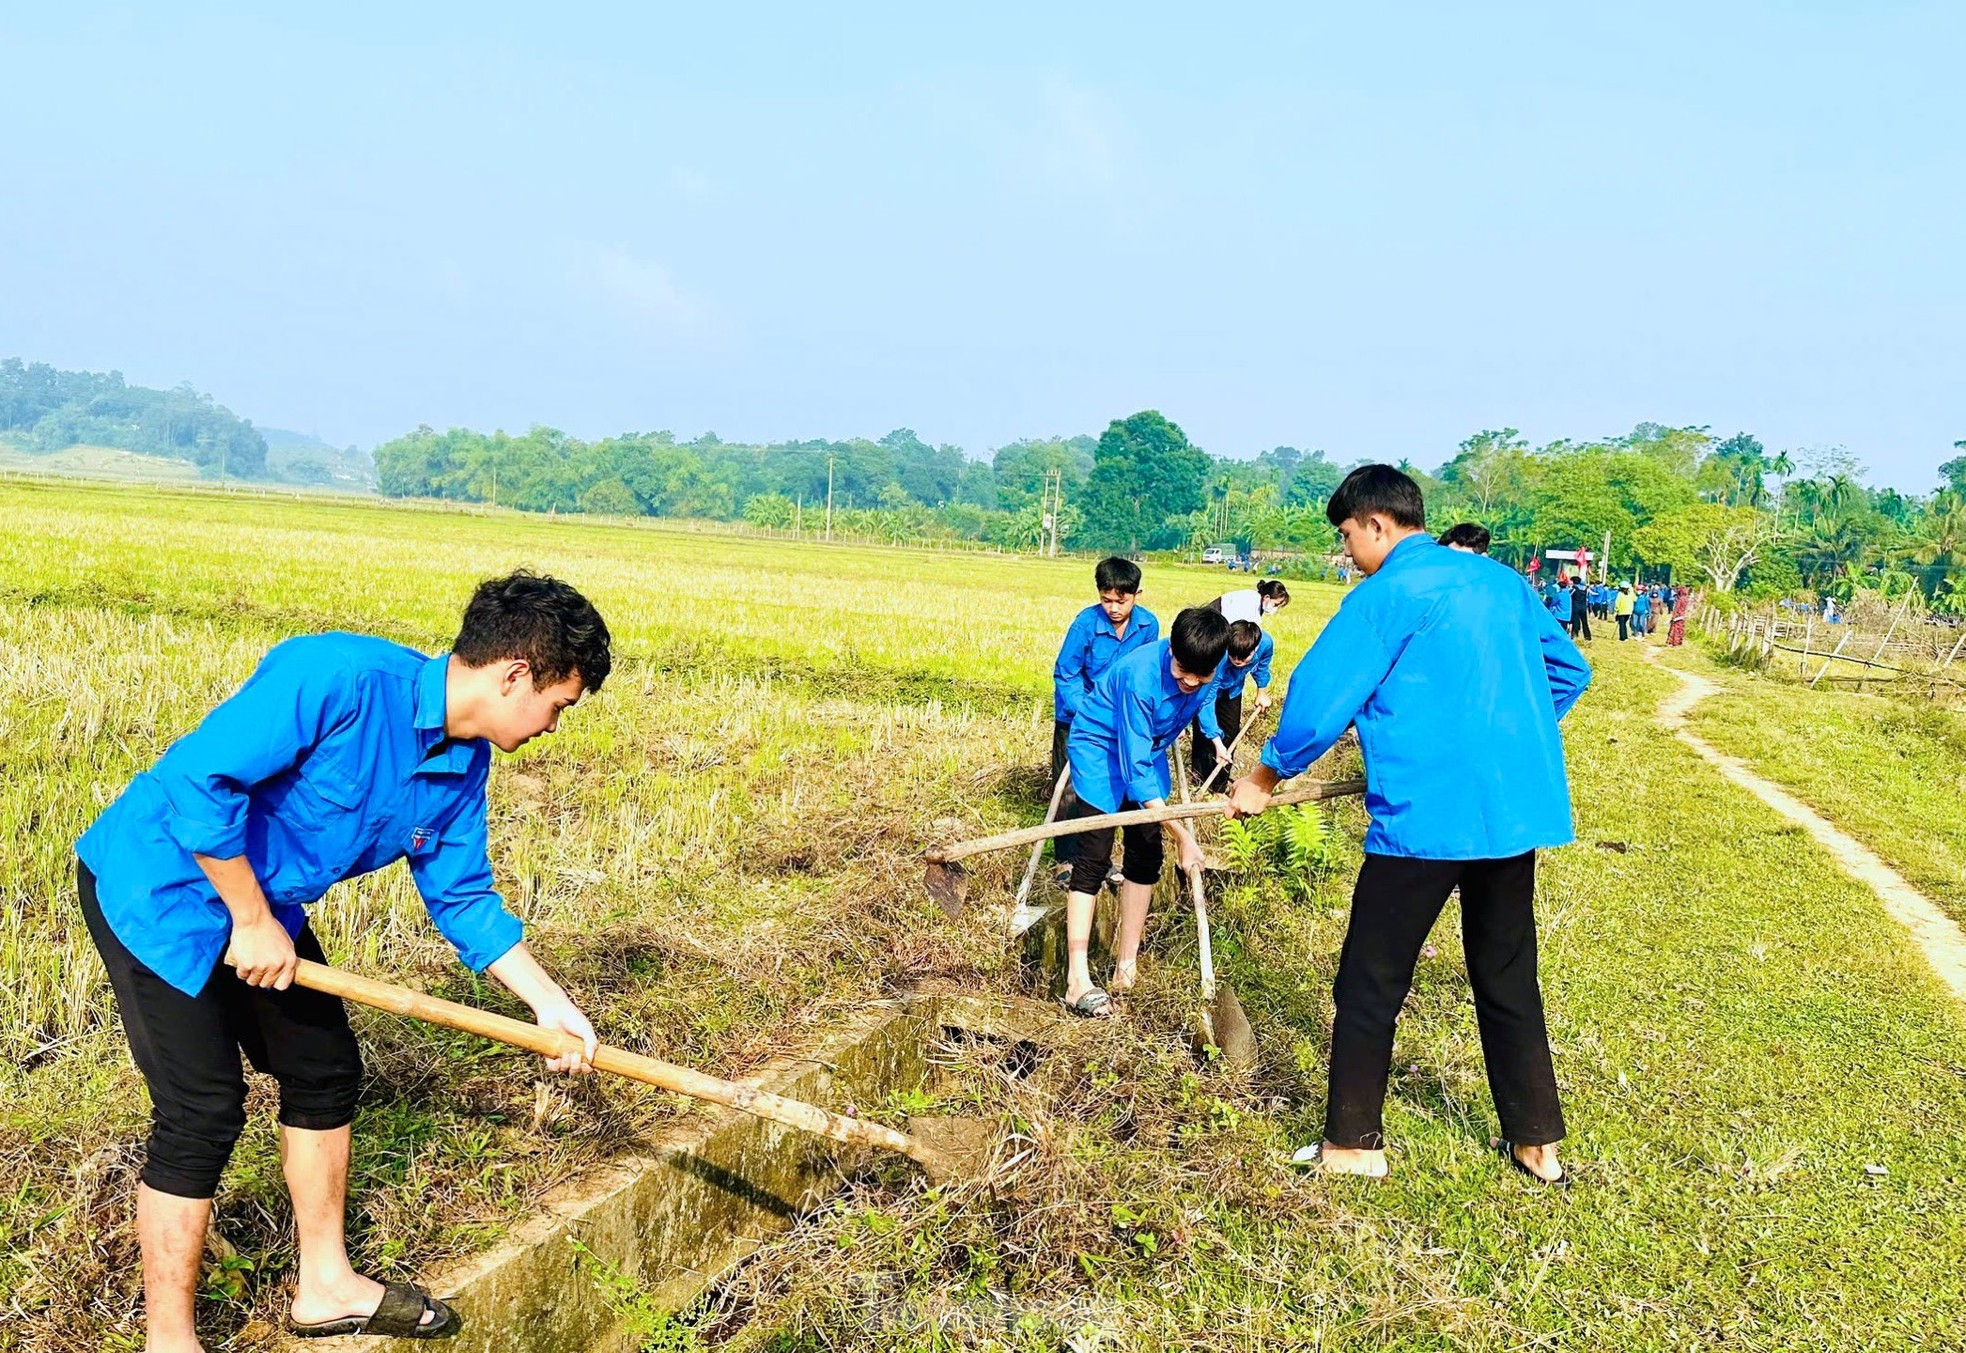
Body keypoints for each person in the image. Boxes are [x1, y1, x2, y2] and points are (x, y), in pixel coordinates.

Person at [74, 571, 613, 1348]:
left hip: (260, 902)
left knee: (323, 1066)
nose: (553, 726)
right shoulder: (337, 677)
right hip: (157, 884)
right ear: (515, 674)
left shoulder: (463, 766)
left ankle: (324, 1285)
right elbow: (199, 778)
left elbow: (461, 897)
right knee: (202, 1109)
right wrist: (253, 920)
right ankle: (170, 1338)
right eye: (559, 704)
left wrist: (547, 1002)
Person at [1229, 465, 1590, 1184]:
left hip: (1426, 818)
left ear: (1376, 524)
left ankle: (1353, 1144)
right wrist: (1498, 739)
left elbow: (1322, 693)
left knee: (1371, 978)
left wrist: (1264, 776)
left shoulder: (1388, 593)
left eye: (1346, 537)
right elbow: (1569, 671)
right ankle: (1536, 1142)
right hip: (1509, 814)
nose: (1348, 553)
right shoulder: (1501, 584)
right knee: (1508, 973)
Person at [1059, 607, 1230, 1018]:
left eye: (1199, 676)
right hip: (1102, 748)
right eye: (1182, 671)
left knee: (1147, 854)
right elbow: (1135, 773)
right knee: (1094, 855)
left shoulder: (1212, 661)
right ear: (1171, 648)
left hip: (1148, 748)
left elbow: (1203, 702)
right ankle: (1076, 979)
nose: (1189, 682)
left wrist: (1214, 735)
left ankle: (1125, 967)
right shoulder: (1140, 676)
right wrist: (1185, 836)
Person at [1051, 558, 1161, 884]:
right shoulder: (1085, 625)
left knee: (1109, 784)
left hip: (1119, 719)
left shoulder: (1148, 626)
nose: (1113, 608)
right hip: (1078, 716)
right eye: (1106, 599)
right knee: (1070, 788)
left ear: (1136, 594)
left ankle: (1100, 859)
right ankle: (1066, 859)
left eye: (1121, 600)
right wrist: (1087, 713)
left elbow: (1144, 671)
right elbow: (1066, 673)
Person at [1189, 619, 1274, 792]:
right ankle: (1199, 783)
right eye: (1233, 656)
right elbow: (1207, 700)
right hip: (1207, 689)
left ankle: (1219, 786)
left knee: (1230, 734)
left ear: (1255, 648)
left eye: (1244, 658)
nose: (1237, 661)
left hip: (1233, 690)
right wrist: (1215, 740)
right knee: (1204, 736)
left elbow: (1263, 665)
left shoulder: (1265, 643)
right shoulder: (1219, 657)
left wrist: (1261, 692)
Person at [1211, 578, 1290, 626]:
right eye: (1275, 604)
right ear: (1267, 597)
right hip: (1211, 625)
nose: (1275, 608)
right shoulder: (1249, 600)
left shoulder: (1258, 603)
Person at [1568, 577, 1592, 642]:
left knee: (1575, 622)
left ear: (1574, 582)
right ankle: (1588, 636)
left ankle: (1574, 635)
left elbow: (1568, 596)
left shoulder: (1574, 589)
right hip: (1583, 607)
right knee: (1584, 622)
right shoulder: (1585, 589)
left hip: (1576, 607)